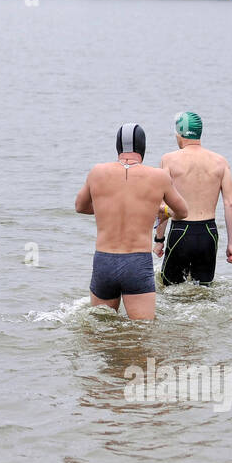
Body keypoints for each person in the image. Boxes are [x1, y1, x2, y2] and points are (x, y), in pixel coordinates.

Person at [75, 124, 188, 320]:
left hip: (104, 261)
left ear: (118, 147)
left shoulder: (97, 172)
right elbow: (183, 211)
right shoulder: (158, 176)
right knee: (141, 335)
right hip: (137, 263)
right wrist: (162, 210)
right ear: (143, 147)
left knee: (102, 332)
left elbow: (80, 206)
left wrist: (105, 208)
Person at [155, 112, 232, 284]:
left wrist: (159, 240)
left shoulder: (168, 160)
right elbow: (230, 204)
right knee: (203, 291)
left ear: (179, 134)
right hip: (209, 233)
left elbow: (162, 205)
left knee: (170, 291)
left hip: (181, 231)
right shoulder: (220, 161)